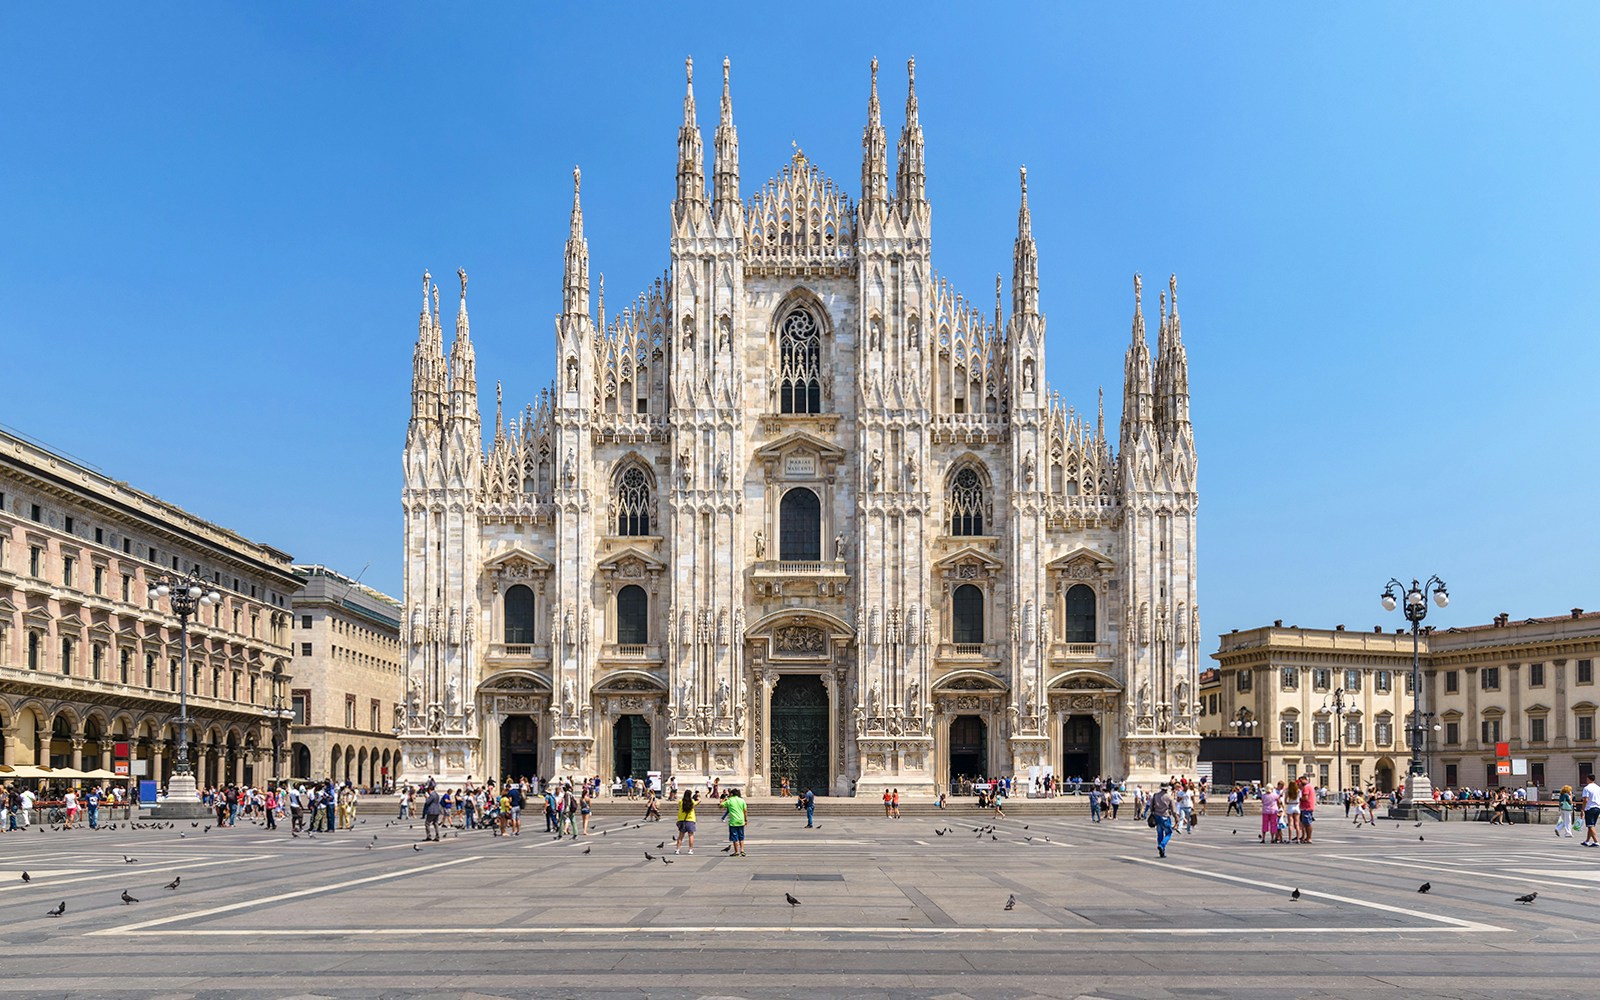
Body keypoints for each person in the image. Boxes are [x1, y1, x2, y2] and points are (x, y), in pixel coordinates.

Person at [1149, 783, 1177, 858]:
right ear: (1167, 788)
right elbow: (1173, 811)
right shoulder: (1169, 797)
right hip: (1165, 817)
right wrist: (1176, 819)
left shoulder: (1155, 795)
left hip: (1157, 817)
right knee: (1169, 833)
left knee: (1160, 834)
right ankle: (1162, 845)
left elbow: (1151, 807)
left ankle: (1162, 852)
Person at [723, 787, 748, 857]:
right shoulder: (742, 800)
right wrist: (745, 820)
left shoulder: (730, 800)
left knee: (735, 837)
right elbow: (745, 811)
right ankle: (742, 850)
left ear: (731, 794)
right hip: (741, 821)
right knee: (741, 836)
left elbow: (721, 805)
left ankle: (736, 851)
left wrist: (724, 799)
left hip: (733, 822)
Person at [1580, 773, 1600, 848]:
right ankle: (1587, 841)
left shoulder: (1587, 788)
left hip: (1590, 808)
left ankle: (1596, 841)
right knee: (1591, 825)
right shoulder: (1598, 788)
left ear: (1588, 779)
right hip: (1597, 807)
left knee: (1590, 825)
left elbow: (1586, 799)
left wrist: (1582, 809)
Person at [674, 790, 697, 854]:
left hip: (682, 820)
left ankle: (677, 849)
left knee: (680, 836)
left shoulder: (681, 802)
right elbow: (697, 802)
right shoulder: (692, 802)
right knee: (691, 835)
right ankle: (690, 850)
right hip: (690, 820)